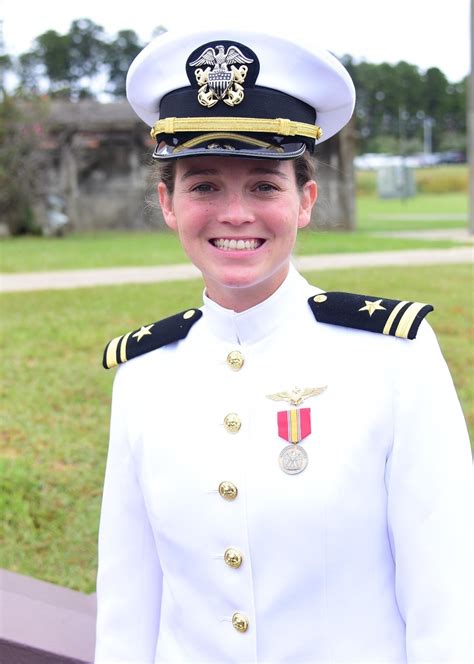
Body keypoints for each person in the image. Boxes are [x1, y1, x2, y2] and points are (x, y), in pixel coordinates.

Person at [95, 28, 473, 664]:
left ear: (306, 200)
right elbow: (129, 601)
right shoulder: (144, 373)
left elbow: (448, 595)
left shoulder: (392, 358)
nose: (235, 213)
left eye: (265, 185)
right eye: (204, 185)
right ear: (168, 202)